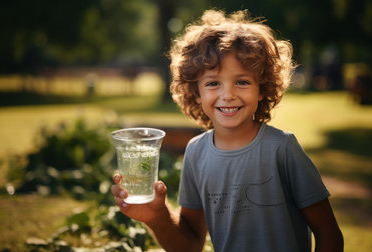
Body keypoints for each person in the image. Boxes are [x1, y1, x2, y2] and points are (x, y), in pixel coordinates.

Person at [111, 9, 343, 252]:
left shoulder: (282, 149)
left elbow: (329, 233)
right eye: (213, 83)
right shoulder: (196, 153)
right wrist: (157, 218)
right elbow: (189, 246)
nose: (228, 95)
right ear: (196, 92)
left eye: (242, 81)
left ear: (261, 88)